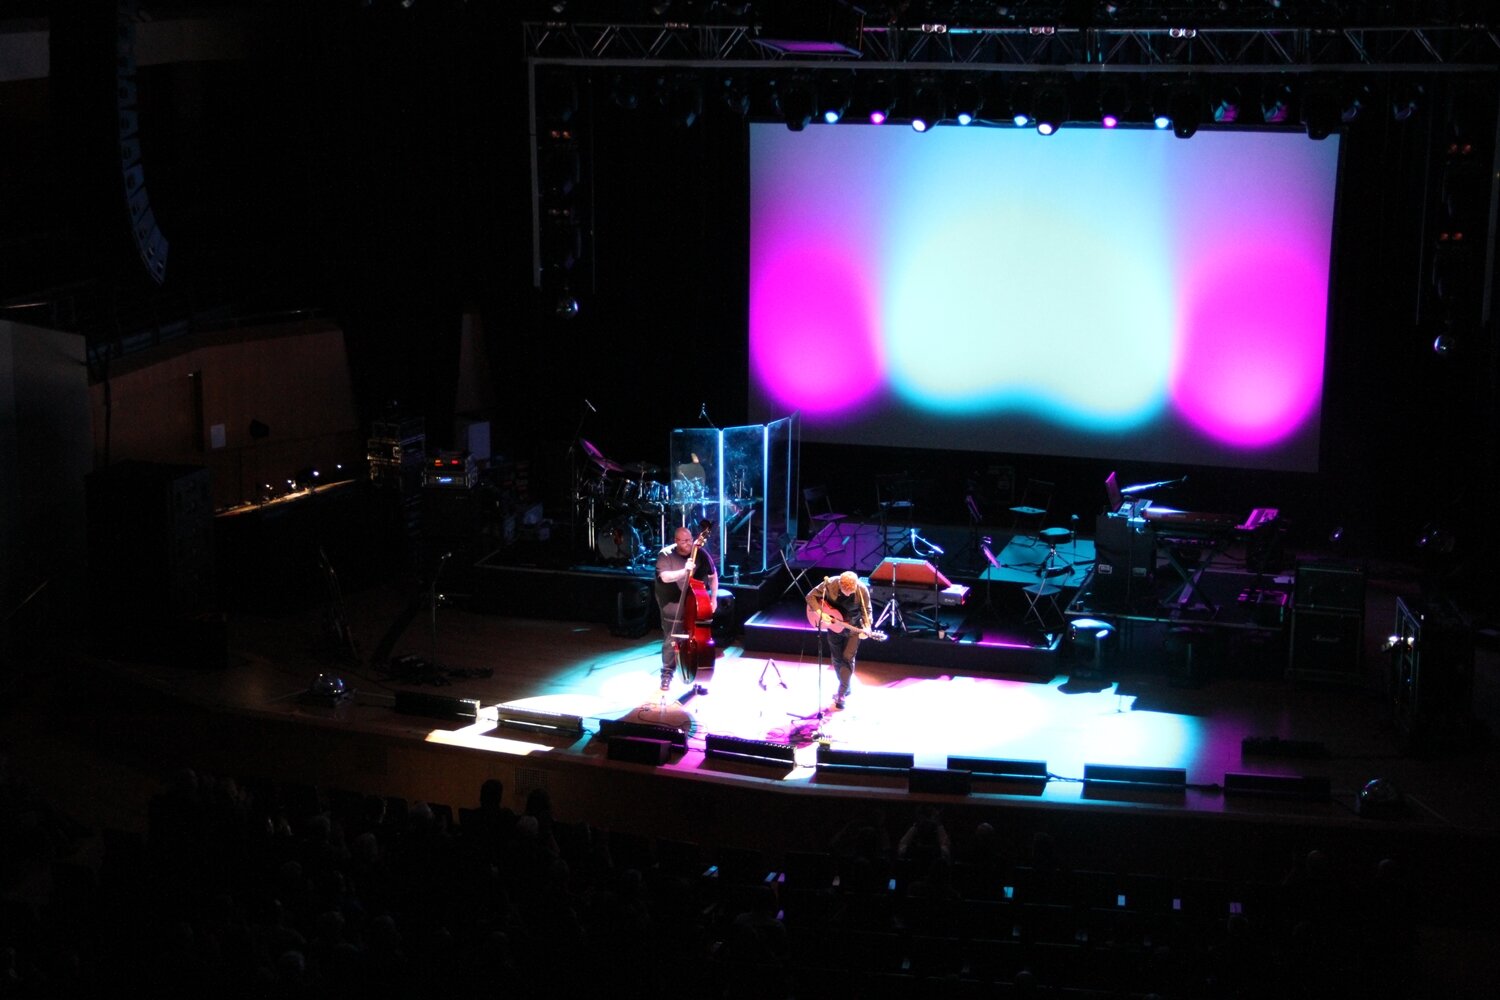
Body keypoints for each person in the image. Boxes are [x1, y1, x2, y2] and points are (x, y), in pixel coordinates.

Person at [655, 524, 717, 691]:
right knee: (671, 641)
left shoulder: (700, 553)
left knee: (698, 642)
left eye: (690, 540)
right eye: (684, 541)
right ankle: (667, 675)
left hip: (694, 605)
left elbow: (713, 576)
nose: (689, 544)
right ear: (676, 541)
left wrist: (713, 598)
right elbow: (665, 577)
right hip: (672, 604)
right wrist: (684, 571)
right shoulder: (666, 554)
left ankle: (697, 677)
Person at [805, 569, 871, 709]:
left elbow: (867, 610)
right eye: (845, 591)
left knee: (847, 658)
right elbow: (810, 596)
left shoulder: (861, 589)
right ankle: (846, 687)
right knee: (837, 659)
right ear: (840, 584)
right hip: (834, 627)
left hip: (853, 627)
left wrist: (867, 627)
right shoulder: (830, 583)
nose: (848, 594)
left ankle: (841, 695)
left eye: (850, 591)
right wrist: (820, 612)